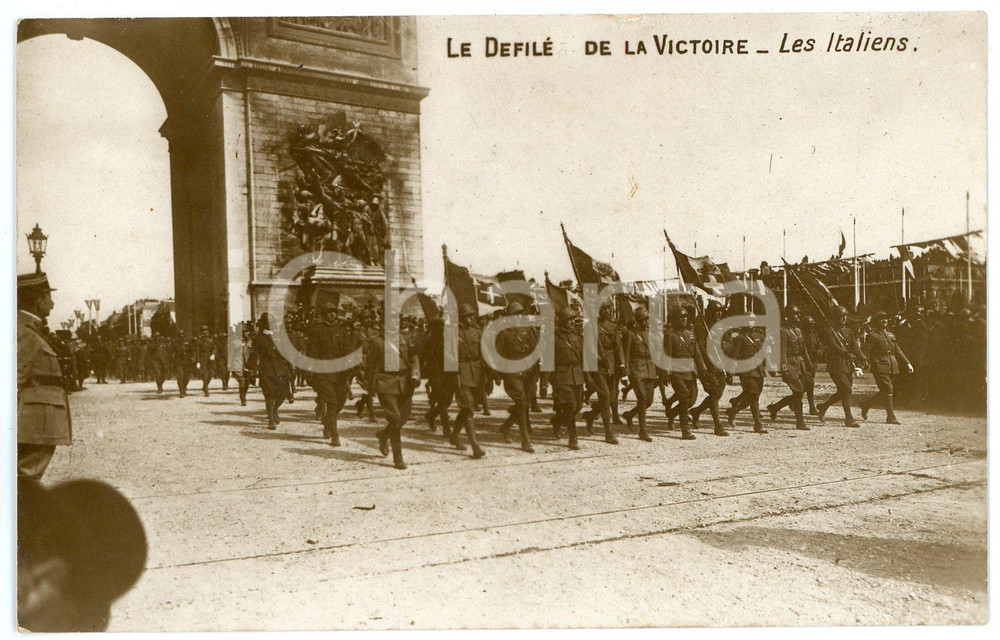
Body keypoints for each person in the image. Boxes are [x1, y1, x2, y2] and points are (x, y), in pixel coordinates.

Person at [17, 272, 72, 480]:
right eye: (49, 297)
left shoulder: (30, 329)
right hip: (31, 425)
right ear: (39, 301)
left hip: (35, 424)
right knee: (25, 481)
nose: (53, 303)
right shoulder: (23, 331)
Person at [369, 317, 422, 470]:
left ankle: (384, 435)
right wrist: (369, 387)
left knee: (403, 418)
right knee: (395, 418)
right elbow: (371, 366)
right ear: (382, 324)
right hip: (385, 382)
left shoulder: (406, 339)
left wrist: (415, 374)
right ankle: (398, 458)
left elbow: (414, 358)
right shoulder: (377, 342)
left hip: (405, 382)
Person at [307, 303, 359, 446]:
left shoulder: (341, 330)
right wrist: (312, 372)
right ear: (324, 315)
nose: (332, 315)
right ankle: (335, 434)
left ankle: (328, 422)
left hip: (339, 373)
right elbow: (311, 352)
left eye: (334, 312)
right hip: (323, 373)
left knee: (340, 402)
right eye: (329, 312)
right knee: (332, 402)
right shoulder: (317, 330)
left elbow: (348, 350)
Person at [496, 301, 537, 453]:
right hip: (511, 371)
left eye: (520, 314)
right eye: (515, 314)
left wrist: (535, 370)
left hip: (527, 370)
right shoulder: (504, 332)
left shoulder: (528, 329)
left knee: (524, 403)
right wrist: (497, 374)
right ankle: (525, 441)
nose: (519, 317)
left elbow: (534, 349)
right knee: (521, 402)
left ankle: (506, 427)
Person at [817, 306, 866, 428]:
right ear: (835, 318)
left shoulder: (848, 331)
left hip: (847, 365)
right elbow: (833, 346)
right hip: (835, 364)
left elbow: (855, 347)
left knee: (843, 391)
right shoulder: (829, 331)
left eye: (845, 316)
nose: (844, 319)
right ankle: (849, 419)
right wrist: (846, 354)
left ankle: (823, 407)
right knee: (846, 389)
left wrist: (863, 357)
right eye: (840, 317)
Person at [860, 311, 913, 424]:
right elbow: (866, 351)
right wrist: (860, 366)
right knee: (888, 389)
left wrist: (907, 363)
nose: (884, 321)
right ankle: (891, 417)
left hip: (892, 365)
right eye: (881, 319)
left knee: (885, 389)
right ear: (875, 322)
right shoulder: (872, 336)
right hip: (879, 365)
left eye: (886, 318)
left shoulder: (891, 335)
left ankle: (866, 405)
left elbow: (897, 350)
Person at [582, 303, 623, 444]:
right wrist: (599, 359)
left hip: (612, 366)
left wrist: (622, 364)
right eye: (604, 309)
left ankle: (591, 415)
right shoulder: (590, 327)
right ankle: (608, 432)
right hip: (598, 366)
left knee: (611, 398)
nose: (607, 311)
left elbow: (618, 347)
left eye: (609, 309)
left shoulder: (613, 327)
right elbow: (589, 348)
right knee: (605, 396)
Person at [767, 305, 813, 431]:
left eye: (798, 314)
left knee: (799, 393)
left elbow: (804, 351)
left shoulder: (798, 331)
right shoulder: (784, 332)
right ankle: (800, 422)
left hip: (801, 365)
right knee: (798, 392)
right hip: (790, 365)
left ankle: (775, 408)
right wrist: (784, 368)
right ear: (788, 316)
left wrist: (809, 364)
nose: (798, 317)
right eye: (795, 314)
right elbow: (781, 352)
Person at [451, 304, 487, 459]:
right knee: (468, 408)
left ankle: (453, 436)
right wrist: (454, 375)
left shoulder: (478, 332)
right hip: (461, 372)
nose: (471, 318)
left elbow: (484, 354)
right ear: (461, 318)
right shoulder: (453, 333)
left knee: (466, 408)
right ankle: (475, 445)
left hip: (477, 372)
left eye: (472, 316)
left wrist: (488, 375)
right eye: (468, 316)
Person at [690, 303, 730, 437]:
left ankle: (696, 412)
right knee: (714, 393)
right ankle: (718, 425)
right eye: (716, 311)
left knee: (718, 393)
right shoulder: (702, 326)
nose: (719, 314)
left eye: (720, 312)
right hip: (708, 365)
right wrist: (704, 366)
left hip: (720, 364)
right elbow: (700, 348)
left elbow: (727, 344)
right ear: (710, 312)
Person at [247, 314, 292, 430]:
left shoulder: (280, 337)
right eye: (268, 322)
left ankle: (275, 409)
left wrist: (291, 366)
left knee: (283, 393)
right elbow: (254, 355)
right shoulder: (258, 338)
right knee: (269, 395)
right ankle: (271, 419)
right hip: (266, 369)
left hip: (281, 369)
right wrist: (250, 368)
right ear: (264, 324)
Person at [665, 307, 703, 441]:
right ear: (675, 320)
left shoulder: (690, 334)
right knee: (684, 397)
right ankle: (685, 429)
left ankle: (672, 414)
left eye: (686, 317)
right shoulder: (670, 335)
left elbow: (697, 353)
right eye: (681, 317)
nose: (684, 319)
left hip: (690, 371)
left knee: (691, 399)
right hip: (677, 372)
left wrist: (702, 368)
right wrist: (667, 373)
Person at [726, 317, 769, 433]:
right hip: (746, 370)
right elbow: (734, 356)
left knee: (753, 396)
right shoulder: (739, 338)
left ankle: (733, 411)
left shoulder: (759, 336)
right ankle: (757, 424)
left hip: (759, 370)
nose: (751, 322)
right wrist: (730, 372)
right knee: (753, 396)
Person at [552, 306, 586, 450]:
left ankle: (557, 421)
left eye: (573, 320)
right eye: (569, 320)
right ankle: (573, 437)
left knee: (578, 406)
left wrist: (589, 378)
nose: (572, 323)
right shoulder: (554, 338)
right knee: (570, 406)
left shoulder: (578, 337)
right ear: (562, 322)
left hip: (577, 375)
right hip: (562, 376)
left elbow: (584, 358)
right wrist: (544, 383)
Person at [621, 307, 657, 442]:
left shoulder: (649, 335)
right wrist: (625, 372)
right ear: (638, 321)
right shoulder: (630, 334)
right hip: (636, 370)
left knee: (649, 401)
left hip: (650, 370)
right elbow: (626, 353)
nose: (646, 322)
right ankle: (643, 431)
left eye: (647, 320)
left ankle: (630, 415)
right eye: (643, 320)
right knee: (642, 399)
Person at [422, 314, 456, 437]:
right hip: (436, 373)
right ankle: (446, 428)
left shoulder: (450, 338)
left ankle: (431, 415)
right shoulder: (429, 340)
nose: (441, 328)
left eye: (443, 325)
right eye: (438, 326)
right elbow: (425, 357)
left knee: (447, 401)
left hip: (449, 372)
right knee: (442, 400)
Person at [171, 330, 195, 397]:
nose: (181, 335)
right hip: (178, 361)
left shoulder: (189, 341)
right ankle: (181, 391)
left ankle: (184, 388)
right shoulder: (174, 342)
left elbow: (192, 350)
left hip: (188, 361)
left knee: (187, 377)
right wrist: (172, 361)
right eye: (180, 334)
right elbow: (171, 352)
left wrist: (193, 358)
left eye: (182, 334)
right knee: (180, 376)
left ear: (185, 334)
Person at [194, 325, 216, 396]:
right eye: (203, 331)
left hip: (210, 359)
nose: (205, 332)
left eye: (206, 330)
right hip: (202, 359)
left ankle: (204, 386)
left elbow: (214, 348)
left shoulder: (211, 340)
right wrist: (197, 362)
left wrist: (213, 354)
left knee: (211, 374)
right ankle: (206, 390)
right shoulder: (198, 340)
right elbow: (197, 351)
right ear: (201, 332)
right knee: (205, 374)